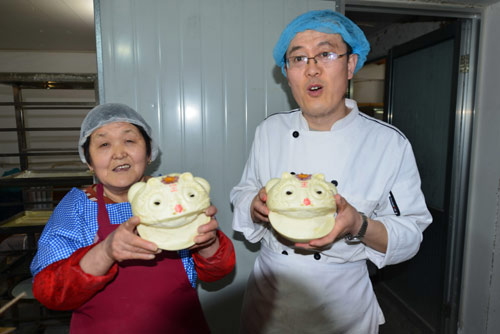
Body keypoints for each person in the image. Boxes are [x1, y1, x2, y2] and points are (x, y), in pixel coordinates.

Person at [230, 9, 432, 333]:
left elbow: (410, 233)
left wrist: (358, 224)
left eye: (326, 53)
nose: (311, 69)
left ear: (350, 65)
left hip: (344, 308)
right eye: (298, 59)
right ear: (286, 71)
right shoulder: (269, 131)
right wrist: (253, 206)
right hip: (270, 303)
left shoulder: (387, 144)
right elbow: (243, 191)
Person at [30, 103, 235, 333]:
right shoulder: (77, 207)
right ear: (89, 162)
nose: (119, 153)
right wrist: (105, 251)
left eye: (129, 140)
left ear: (149, 153)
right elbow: (49, 292)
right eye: (104, 144)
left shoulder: (175, 192)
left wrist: (208, 243)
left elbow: (219, 271)